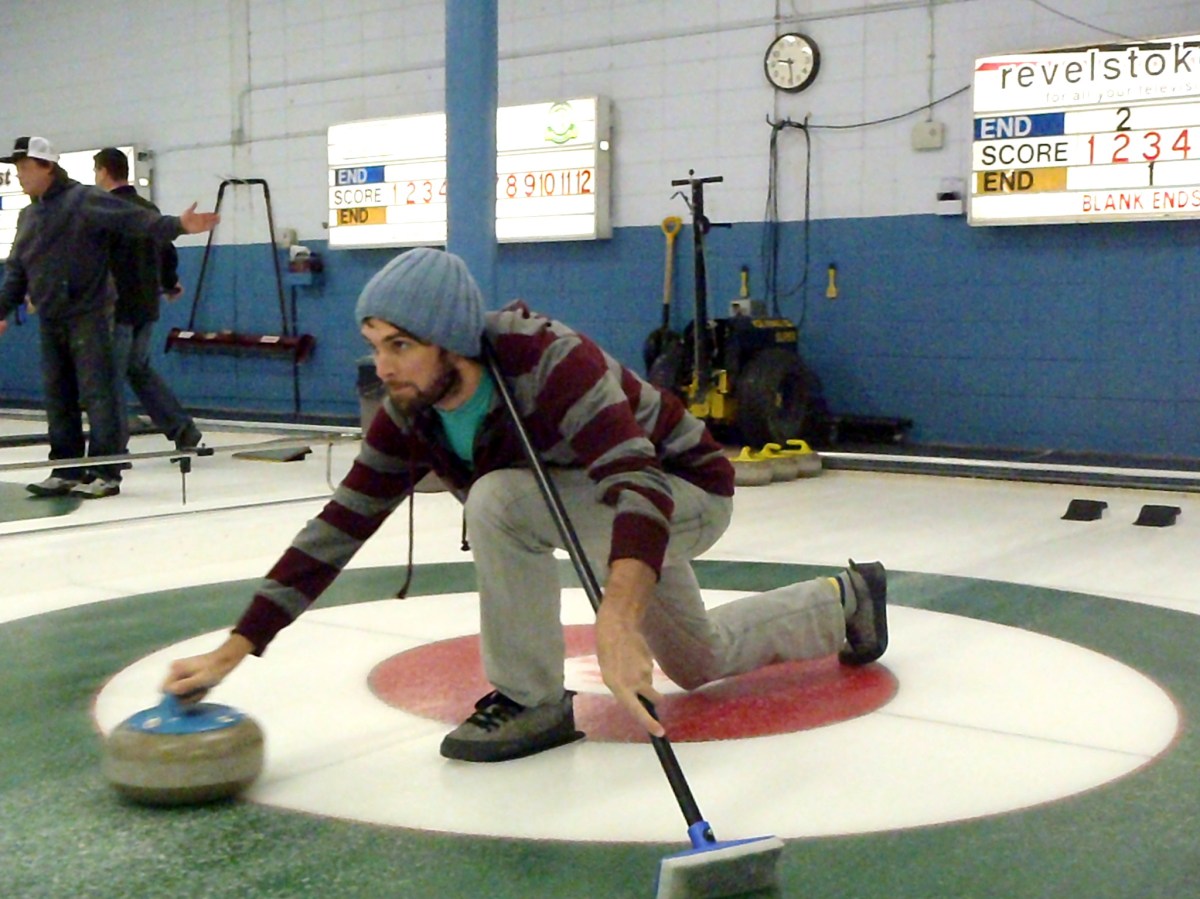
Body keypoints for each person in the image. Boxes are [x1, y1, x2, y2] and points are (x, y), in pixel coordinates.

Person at [164, 247, 888, 762]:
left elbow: (636, 481)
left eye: (401, 345)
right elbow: (339, 527)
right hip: (596, 509)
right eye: (375, 345)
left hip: (682, 492)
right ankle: (847, 602)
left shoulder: (549, 361)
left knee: (500, 498)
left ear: (451, 340)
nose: (383, 366)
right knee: (698, 662)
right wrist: (237, 646)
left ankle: (530, 698)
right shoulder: (410, 409)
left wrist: (616, 621)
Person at [0, 136, 218, 499]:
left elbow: (137, 221)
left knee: (100, 396)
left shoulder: (84, 200)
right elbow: (17, 271)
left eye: (25, 168)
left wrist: (178, 225)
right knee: (59, 397)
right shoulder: (29, 216)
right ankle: (66, 469)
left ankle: (106, 471)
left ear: (47, 167)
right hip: (52, 318)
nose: (19, 175)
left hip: (89, 316)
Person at [93, 147, 202, 453]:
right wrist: (169, 282)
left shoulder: (105, 210)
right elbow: (166, 249)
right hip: (146, 304)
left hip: (116, 306)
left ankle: (112, 450)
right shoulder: (147, 208)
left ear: (103, 171)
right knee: (137, 368)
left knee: (110, 378)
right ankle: (182, 429)